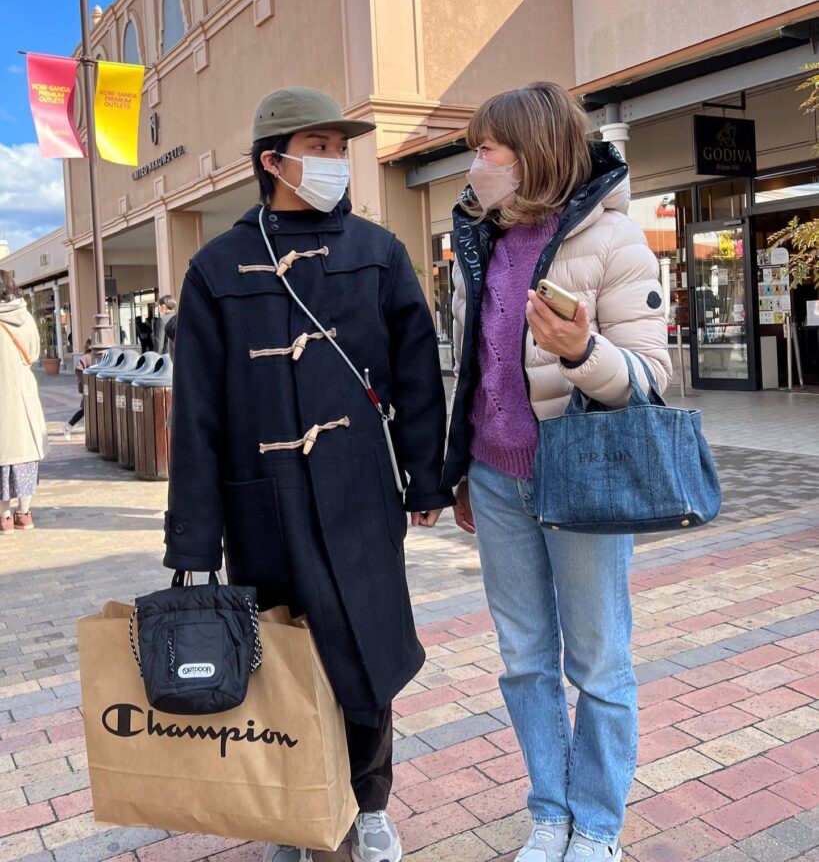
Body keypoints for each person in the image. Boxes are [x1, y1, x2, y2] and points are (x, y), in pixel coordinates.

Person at [164, 87, 453, 862]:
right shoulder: (215, 268)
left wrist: (425, 479)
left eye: (338, 147)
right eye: (318, 147)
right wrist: (193, 538)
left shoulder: (377, 251)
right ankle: (292, 810)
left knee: (365, 655)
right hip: (262, 503)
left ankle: (370, 804)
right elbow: (196, 412)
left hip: (360, 492)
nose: (335, 160)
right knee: (278, 663)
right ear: (274, 160)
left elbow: (417, 376)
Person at [440, 83, 672, 862]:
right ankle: (549, 813)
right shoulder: (481, 240)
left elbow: (647, 377)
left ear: (532, 153)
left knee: (597, 660)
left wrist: (581, 352)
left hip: (582, 475)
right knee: (523, 659)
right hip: (495, 476)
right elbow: (477, 371)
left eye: (487, 149)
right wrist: (462, 471)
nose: (475, 165)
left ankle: (596, 824)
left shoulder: (615, 241)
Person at [0, 271, 48, 533]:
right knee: (24, 455)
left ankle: (4, 517)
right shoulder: (25, 316)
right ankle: (24, 513)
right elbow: (34, 352)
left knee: (3, 456)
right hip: (23, 394)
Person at [64, 339, 94, 439]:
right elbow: (78, 370)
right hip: (90, 389)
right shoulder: (86, 357)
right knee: (85, 410)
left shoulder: (95, 356)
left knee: (86, 410)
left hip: (93, 388)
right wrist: (87, 382)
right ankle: (68, 426)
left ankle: (69, 426)